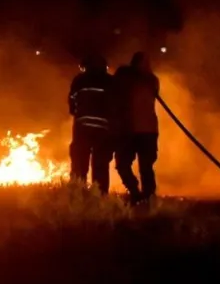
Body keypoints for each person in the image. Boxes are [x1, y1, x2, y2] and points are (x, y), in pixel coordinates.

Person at [113, 51, 160, 203]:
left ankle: (148, 196)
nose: (147, 65)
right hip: (129, 129)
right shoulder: (127, 77)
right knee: (122, 164)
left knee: (146, 166)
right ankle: (135, 191)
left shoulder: (150, 80)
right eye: (144, 62)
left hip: (146, 130)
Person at [67, 53, 116, 194]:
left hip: (82, 128)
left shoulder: (79, 80)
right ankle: (99, 197)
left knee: (79, 164)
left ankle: (77, 195)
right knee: (100, 165)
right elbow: (117, 105)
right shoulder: (110, 81)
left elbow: (72, 102)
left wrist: (79, 114)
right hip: (103, 130)